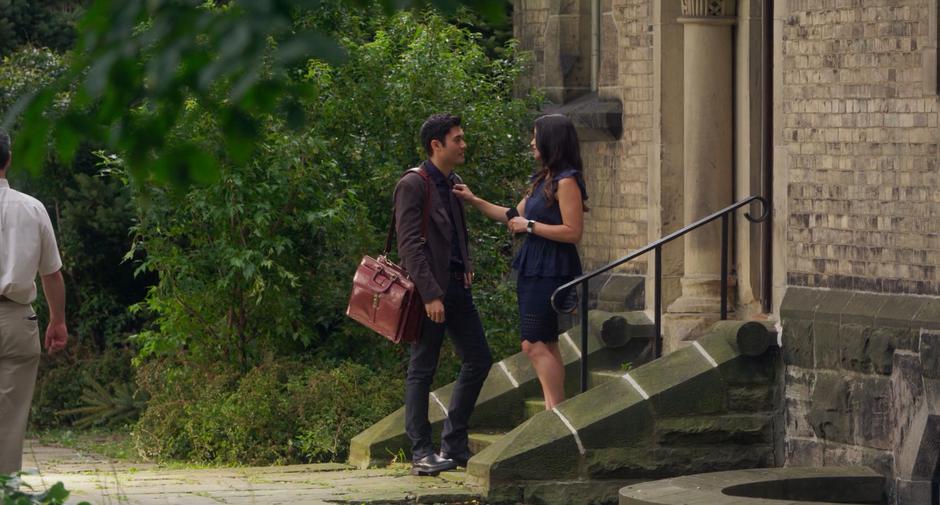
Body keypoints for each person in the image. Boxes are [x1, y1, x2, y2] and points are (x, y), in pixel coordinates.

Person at [453, 114, 586, 410]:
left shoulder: (567, 182)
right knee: (546, 342)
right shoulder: (543, 180)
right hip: (533, 265)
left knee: (533, 344)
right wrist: (473, 200)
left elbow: (573, 231)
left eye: (535, 136)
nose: (531, 142)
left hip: (552, 267)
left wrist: (530, 226)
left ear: (551, 140)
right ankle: (557, 410)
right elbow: (511, 215)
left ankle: (556, 411)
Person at [395, 114, 493, 475]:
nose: (464, 144)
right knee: (423, 367)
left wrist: (465, 263)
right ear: (437, 145)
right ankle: (421, 451)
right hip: (431, 293)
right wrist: (430, 294)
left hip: (458, 287)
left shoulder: (454, 182)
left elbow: (455, 232)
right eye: (458, 139)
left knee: (479, 358)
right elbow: (409, 246)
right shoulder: (413, 184)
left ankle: (453, 444)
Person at [0, 128, 68, 474]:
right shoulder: (32, 208)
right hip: (16, 321)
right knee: (8, 420)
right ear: (8, 159)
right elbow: (51, 273)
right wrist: (58, 320)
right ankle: (5, 488)